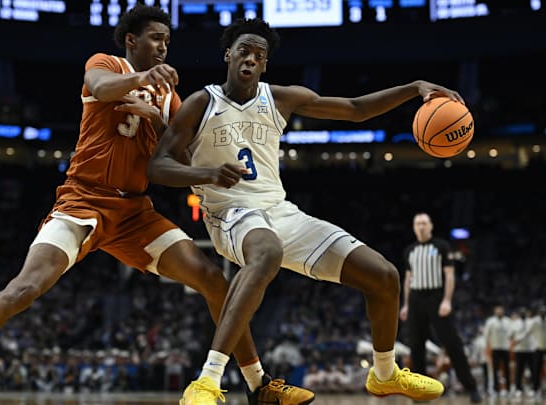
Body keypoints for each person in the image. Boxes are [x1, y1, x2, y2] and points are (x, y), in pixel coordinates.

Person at [0, 6, 311, 405]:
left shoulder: (170, 98)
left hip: (135, 214)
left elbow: (181, 160)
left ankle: (259, 386)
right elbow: (101, 88)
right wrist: (141, 81)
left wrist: (157, 116)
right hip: (83, 200)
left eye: (167, 41)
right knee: (24, 289)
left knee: (213, 281)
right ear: (131, 41)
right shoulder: (107, 64)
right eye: (155, 39)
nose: (164, 47)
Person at [148, 17, 461, 405]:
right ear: (228, 54)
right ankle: (208, 380)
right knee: (267, 252)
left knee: (384, 276)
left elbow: (354, 109)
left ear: (264, 65)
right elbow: (158, 166)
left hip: (280, 211)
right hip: (229, 213)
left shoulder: (279, 98)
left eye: (258, 55)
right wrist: (206, 173)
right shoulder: (202, 102)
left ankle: (384, 374)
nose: (250, 59)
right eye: (243, 51)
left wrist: (414, 88)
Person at [399, 212, 482, 403]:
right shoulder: (409, 250)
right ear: (414, 227)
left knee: (452, 343)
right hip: (415, 299)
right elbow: (408, 279)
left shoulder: (441, 247)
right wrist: (405, 304)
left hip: (436, 296)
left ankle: (471, 387)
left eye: (424, 223)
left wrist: (447, 300)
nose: (421, 226)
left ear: (430, 226)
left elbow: (450, 275)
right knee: (416, 347)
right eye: (418, 223)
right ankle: (420, 392)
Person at [483, 304, 512, 397]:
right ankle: (496, 389)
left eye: (501, 310)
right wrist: (487, 347)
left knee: (507, 369)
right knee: (495, 369)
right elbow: (486, 335)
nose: (499, 312)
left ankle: (508, 389)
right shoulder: (490, 321)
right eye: (497, 310)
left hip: (505, 348)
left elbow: (511, 334)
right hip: (495, 348)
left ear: (503, 311)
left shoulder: (508, 321)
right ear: (495, 311)